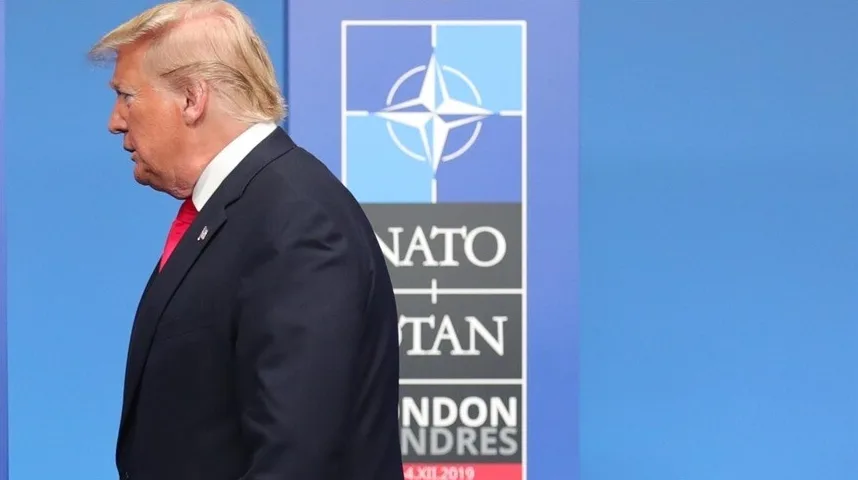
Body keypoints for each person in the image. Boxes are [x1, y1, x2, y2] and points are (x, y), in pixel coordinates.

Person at [87, 1, 404, 479]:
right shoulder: (247, 208)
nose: (115, 119)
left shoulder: (297, 221)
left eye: (127, 95)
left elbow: (296, 457)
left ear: (192, 99)